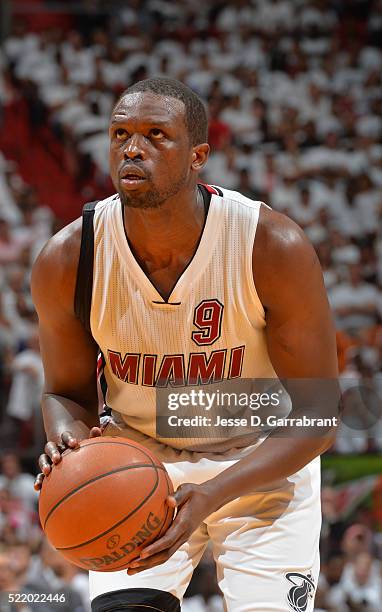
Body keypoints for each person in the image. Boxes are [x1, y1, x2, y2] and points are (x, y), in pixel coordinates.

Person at [32, 78, 338, 612]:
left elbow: (318, 415)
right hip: (140, 462)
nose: (132, 148)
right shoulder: (67, 259)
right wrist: (68, 444)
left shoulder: (270, 245)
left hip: (259, 462)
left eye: (155, 135)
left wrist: (214, 495)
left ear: (198, 155)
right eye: (120, 134)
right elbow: (64, 393)